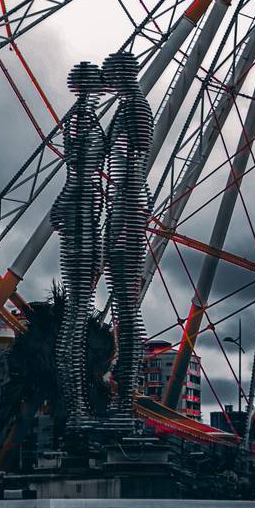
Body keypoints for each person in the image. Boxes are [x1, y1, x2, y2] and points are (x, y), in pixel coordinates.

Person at [50, 61, 105, 430]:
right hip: (85, 228)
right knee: (75, 322)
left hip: (83, 229)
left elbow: (79, 176)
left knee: (74, 325)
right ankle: (78, 407)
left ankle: (78, 407)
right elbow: (82, 175)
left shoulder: (81, 121)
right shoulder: (87, 123)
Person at [102, 50, 153, 420]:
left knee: (127, 310)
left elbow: (133, 158)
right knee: (125, 309)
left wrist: (121, 228)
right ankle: (125, 382)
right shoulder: (131, 106)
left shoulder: (134, 107)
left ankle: (126, 386)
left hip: (127, 209)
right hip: (124, 207)